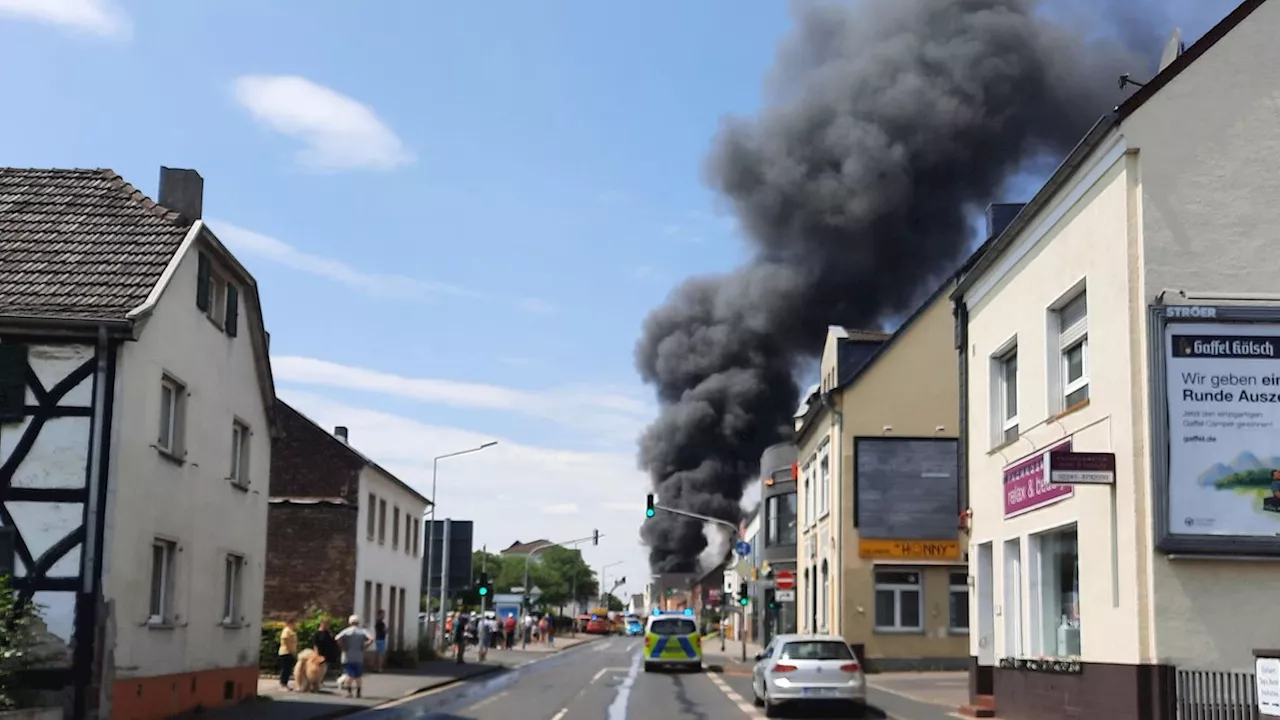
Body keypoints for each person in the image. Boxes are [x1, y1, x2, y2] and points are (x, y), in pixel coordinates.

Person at [335, 615, 373, 699]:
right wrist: (364, 646)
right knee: (358, 676)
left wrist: (343, 647)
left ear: (349, 622)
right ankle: (359, 693)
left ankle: (349, 692)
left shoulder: (346, 631)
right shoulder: (362, 631)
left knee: (349, 675)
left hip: (348, 656)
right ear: (358, 622)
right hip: (358, 656)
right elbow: (371, 639)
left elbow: (337, 638)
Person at [313, 618, 339, 685]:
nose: (327, 626)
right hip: (321, 652)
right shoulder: (318, 633)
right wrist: (316, 653)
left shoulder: (328, 632)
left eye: (328, 624)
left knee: (325, 668)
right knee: (320, 668)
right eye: (325, 624)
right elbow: (315, 644)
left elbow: (333, 641)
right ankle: (318, 680)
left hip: (328, 653)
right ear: (322, 624)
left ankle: (321, 680)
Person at [278, 619, 298, 691]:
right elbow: (285, 640)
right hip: (286, 652)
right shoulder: (286, 630)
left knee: (288, 669)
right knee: (285, 669)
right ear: (290, 623)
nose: (295, 624)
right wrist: (290, 650)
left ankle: (285, 683)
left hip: (290, 652)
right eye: (294, 623)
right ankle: (283, 684)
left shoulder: (291, 631)